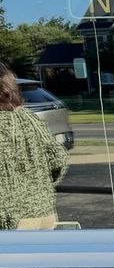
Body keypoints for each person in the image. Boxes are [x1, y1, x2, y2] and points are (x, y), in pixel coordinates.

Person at [0, 62, 68, 230]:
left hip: (11, 223)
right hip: (45, 215)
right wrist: (39, 186)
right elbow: (59, 159)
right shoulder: (31, 118)